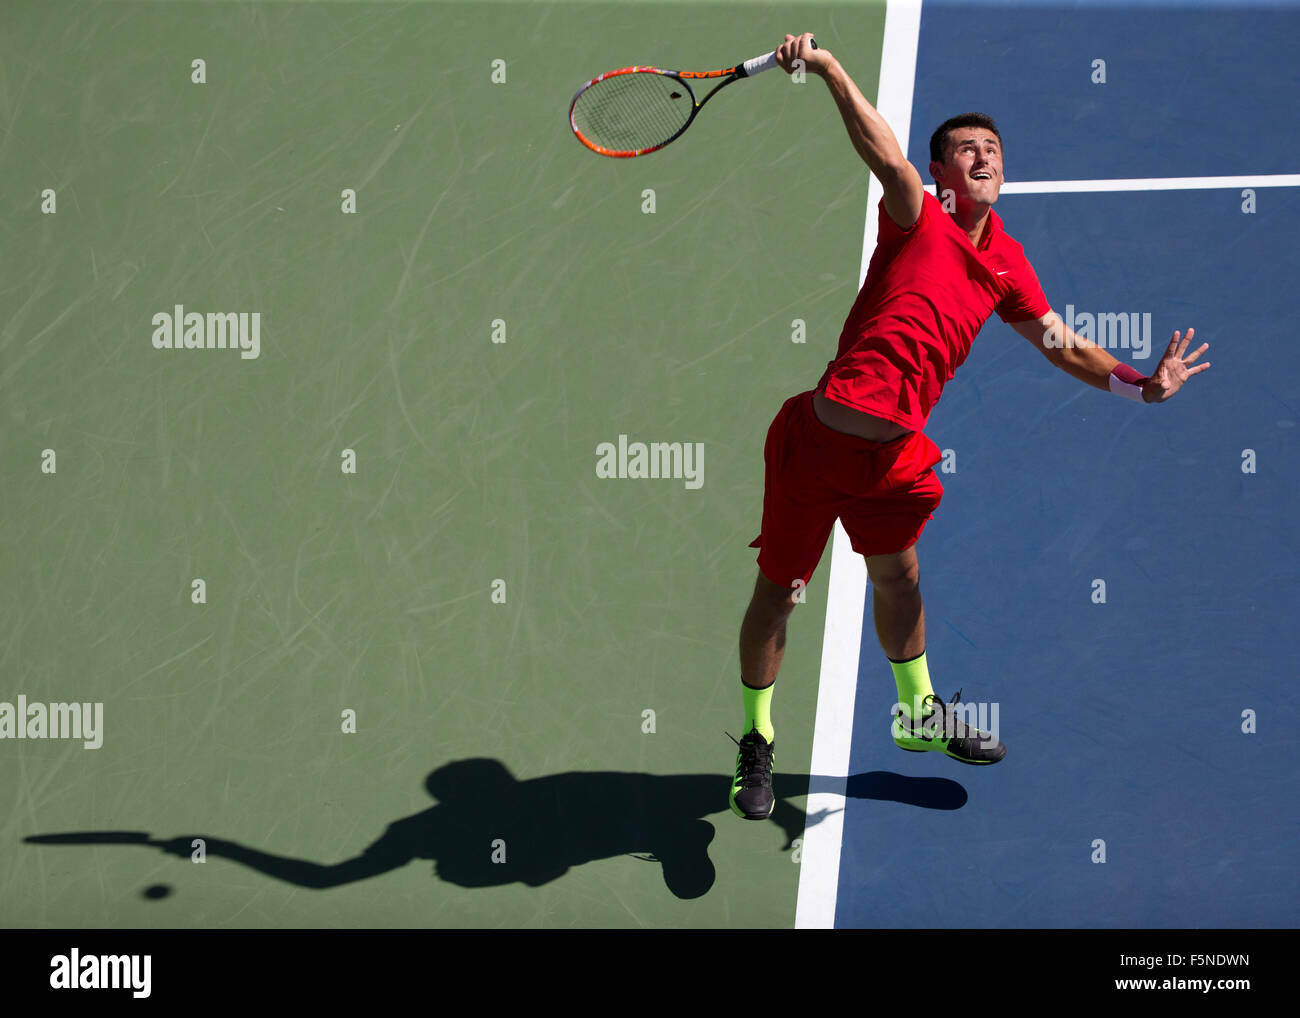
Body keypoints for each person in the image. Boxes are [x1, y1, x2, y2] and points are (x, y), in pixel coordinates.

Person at [729, 33, 1210, 820]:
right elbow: (886, 156)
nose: (984, 156)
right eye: (965, 150)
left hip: (891, 461)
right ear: (942, 174)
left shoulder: (1010, 262)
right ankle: (757, 738)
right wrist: (827, 69)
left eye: (992, 147)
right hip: (815, 448)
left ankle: (915, 712)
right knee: (780, 594)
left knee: (902, 577)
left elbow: (1061, 342)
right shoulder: (918, 215)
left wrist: (1140, 387)